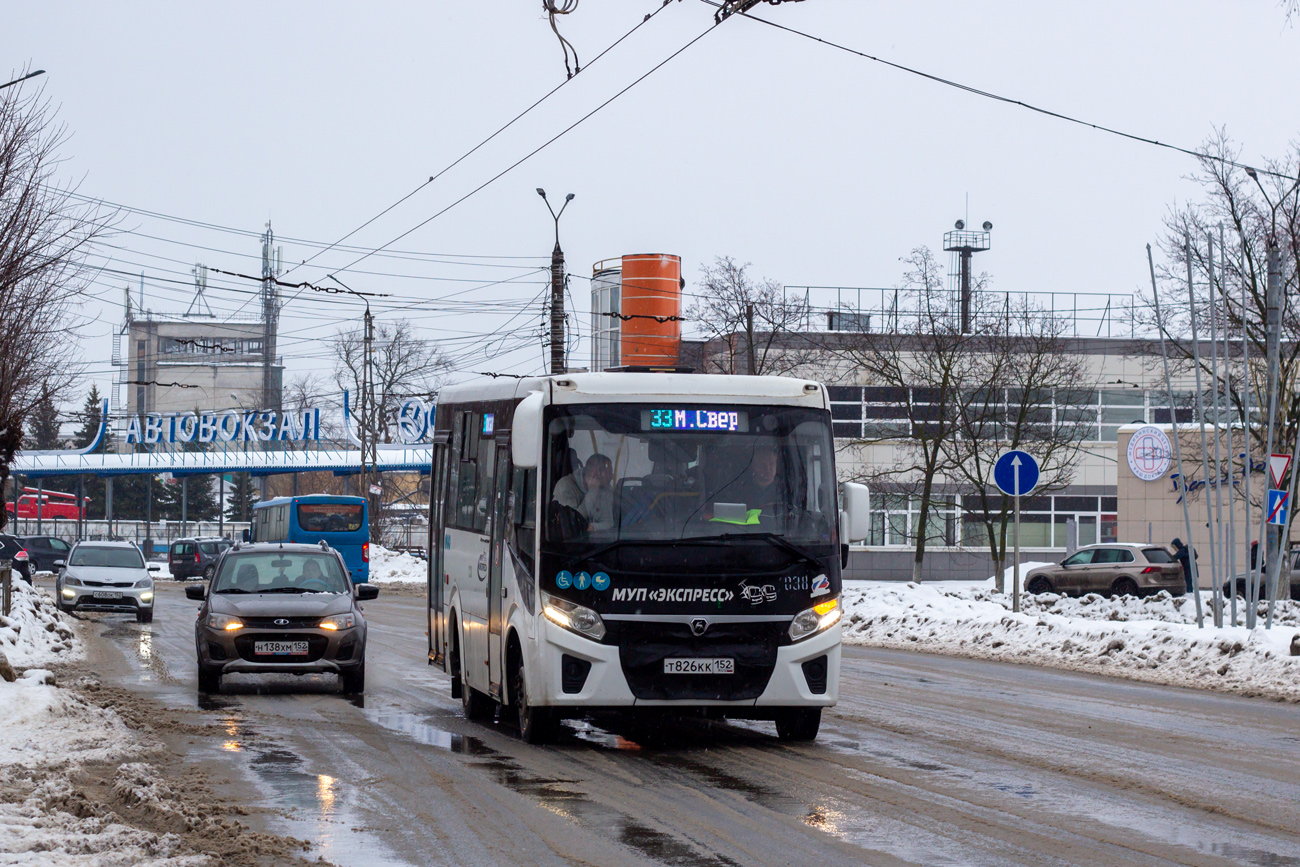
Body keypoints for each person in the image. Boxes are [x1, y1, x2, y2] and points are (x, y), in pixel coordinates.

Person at [553, 453, 615, 531]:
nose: (612, 476)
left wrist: (592, 528)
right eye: (609, 472)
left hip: (596, 541)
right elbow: (571, 524)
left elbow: (608, 523)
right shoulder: (565, 486)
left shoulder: (604, 488)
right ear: (595, 473)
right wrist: (592, 492)